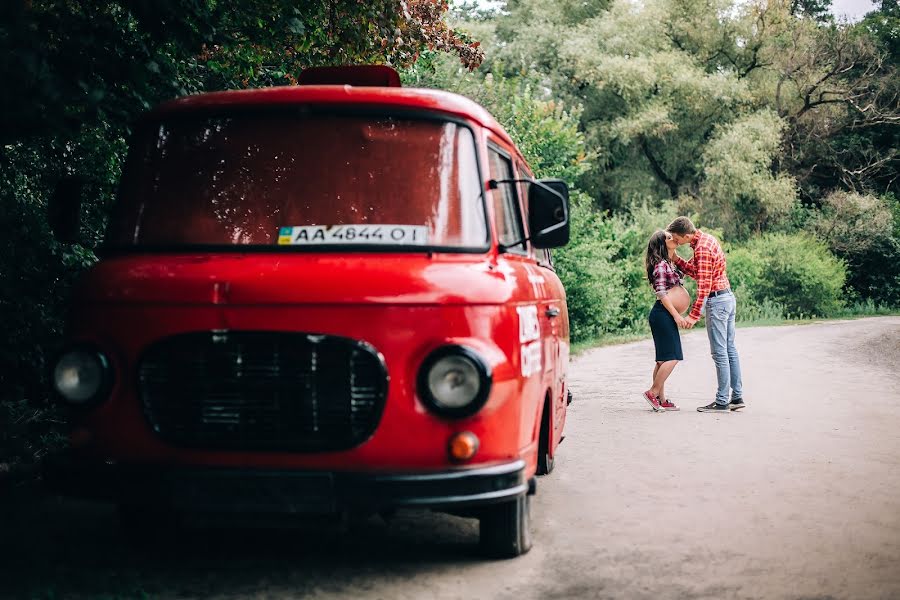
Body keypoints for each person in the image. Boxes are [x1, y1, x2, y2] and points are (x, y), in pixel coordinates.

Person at [666, 217, 745, 413]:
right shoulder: (706, 240)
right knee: (729, 349)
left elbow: (704, 286)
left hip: (717, 301)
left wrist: (694, 315)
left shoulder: (701, 248)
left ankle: (721, 401)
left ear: (686, 235)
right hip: (727, 297)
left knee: (719, 352)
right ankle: (736, 397)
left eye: (677, 238)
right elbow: (697, 271)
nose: (676, 242)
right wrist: (675, 259)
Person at [641, 230, 691, 412]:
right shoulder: (661, 265)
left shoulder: (668, 263)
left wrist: (675, 257)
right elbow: (661, 293)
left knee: (662, 360)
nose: (674, 239)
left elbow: (684, 274)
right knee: (673, 356)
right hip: (663, 314)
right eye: (669, 238)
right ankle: (652, 393)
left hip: (663, 315)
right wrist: (677, 315)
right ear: (662, 244)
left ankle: (661, 400)